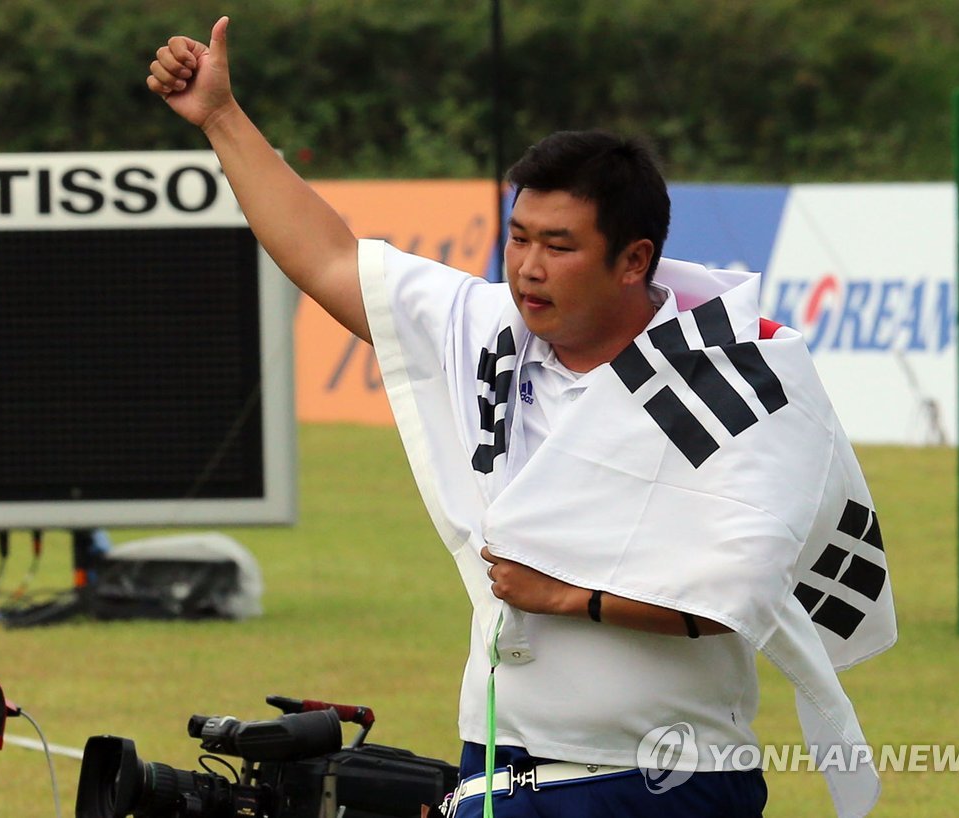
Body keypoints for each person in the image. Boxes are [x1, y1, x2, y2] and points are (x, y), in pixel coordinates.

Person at [148, 18, 895, 818]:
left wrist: (570, 597)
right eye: (517, 238)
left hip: (665, 778)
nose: (530, 268)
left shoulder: (738, 374)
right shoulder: (488, 325)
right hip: (499, 754)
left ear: (633, 260)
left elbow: (742, 595)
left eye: (560, 246)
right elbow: (329, 258)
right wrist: (222, 117)